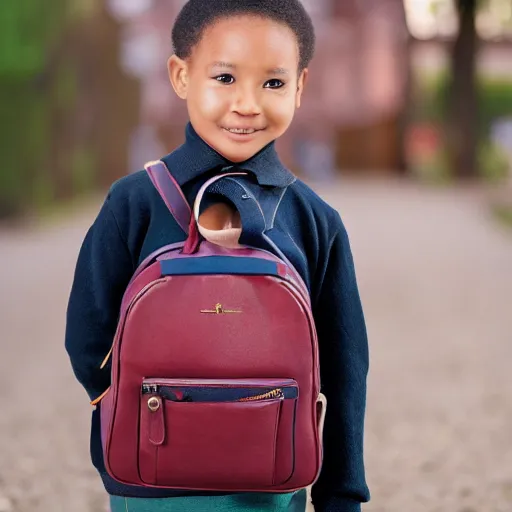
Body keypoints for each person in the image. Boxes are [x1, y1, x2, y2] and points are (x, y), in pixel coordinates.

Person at [65, 1, 370, 511]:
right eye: (225, 77)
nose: (247, 104)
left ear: (300, 87)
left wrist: (341, 494)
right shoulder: (134, 202)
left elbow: (345, 367)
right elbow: (87, 330)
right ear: (181, 75)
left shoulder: (319, 221)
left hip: (249, 476)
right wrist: (120, 408)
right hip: (159, 476)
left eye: (273, 84)